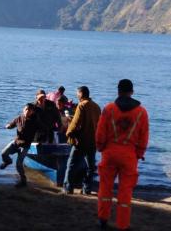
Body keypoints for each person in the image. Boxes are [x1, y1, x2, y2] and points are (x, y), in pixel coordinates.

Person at [95, 79, 149, 231]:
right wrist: (139, 153)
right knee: (125, 192)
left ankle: (103, 219)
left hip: (110, 153)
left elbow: (100, 133)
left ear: (118, 91)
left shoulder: (108, 109)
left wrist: (101, 148)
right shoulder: (141, 112)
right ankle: (122, 224)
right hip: (129, 155)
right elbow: (143, 136)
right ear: (132, 92)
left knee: (105, 188)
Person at [63, 86, 101, 195]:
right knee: (90, 167)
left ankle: (68, 188)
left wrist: (69, 133)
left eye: (77, 94)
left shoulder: (82, 105)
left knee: (71, 165)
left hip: (81, 141)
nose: (76, 95)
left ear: (81, 94)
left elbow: (76, 123)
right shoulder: (97, 107)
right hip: (93, 142)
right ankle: (87, 189)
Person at [0, 103, 42, 188]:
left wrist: (39, 141)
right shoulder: (19, 118)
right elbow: (12, 125)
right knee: (3, 153)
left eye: (29, 110)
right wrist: (8, 126)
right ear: (23, 110)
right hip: (16, 142)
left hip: (25, 146)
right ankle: (8, 161)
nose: (27, 111)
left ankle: (23, 181)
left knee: (18, 164)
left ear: (32, 111)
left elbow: (43, 130)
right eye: (26, 109)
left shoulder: (35, 121)